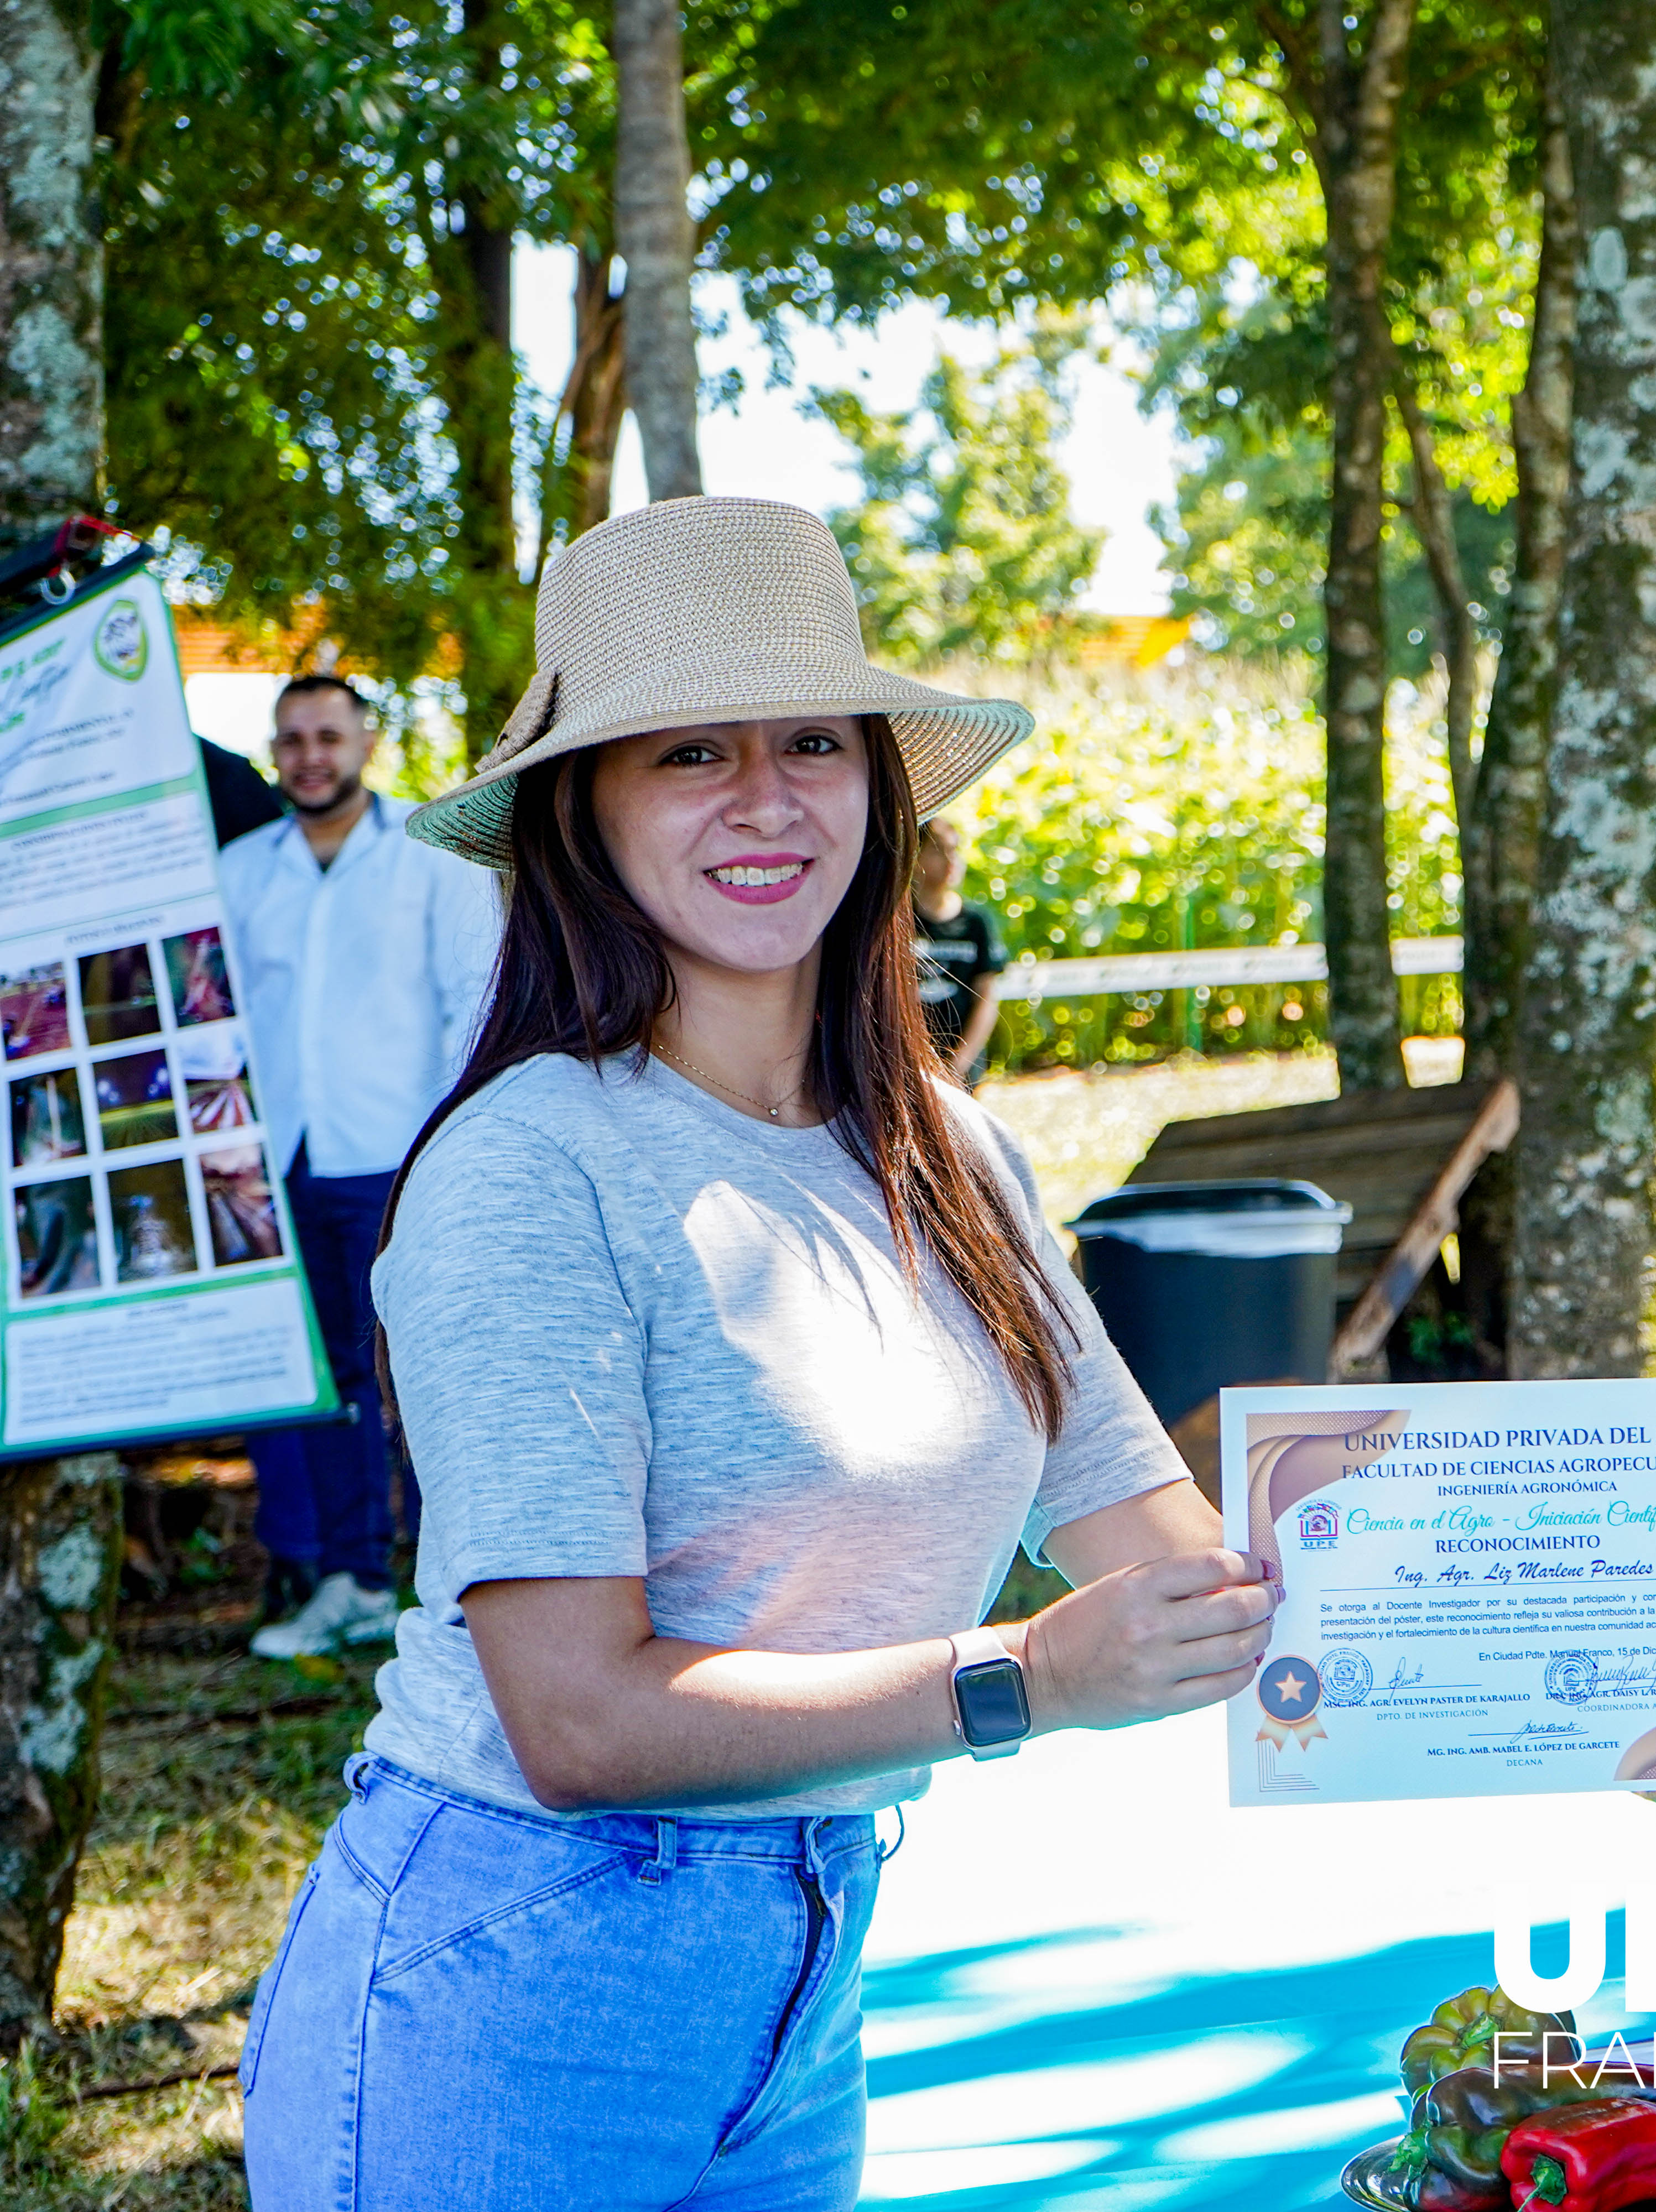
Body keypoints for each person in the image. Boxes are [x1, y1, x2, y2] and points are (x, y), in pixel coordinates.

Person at [238, 497, 1277, 2212]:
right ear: (582, 811)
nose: (765, 797)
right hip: (510, 1981)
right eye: (687, 752)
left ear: (880, 789)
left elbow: (1164, 1548)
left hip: (808, 1970)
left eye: (811, 740)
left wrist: (1570, 1531)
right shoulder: (527, 1164)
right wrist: (1031, 1676)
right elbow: (574, 1717)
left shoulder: (952, 1150)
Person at [216, 672, 501, 1658]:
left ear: (365, 742)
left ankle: (460, 1584)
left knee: (424, 1370)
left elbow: (475, 1001)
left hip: (400, 1155)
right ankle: (353, 1580)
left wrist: (453, 1147)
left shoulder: (432, 852)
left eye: (328, 735)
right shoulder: (244, 869)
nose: (310, 756)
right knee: (328, 1375)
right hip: (283, 1156)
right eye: (291, 739)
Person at [913, 813, 1011, 1085]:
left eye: (955, 850)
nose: (950, 861)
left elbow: (987, 996)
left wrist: (959, 1063)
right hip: (906, 1065)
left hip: (962, 1066)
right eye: (938, 851)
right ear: (916, 857)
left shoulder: (976, 923)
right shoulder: (898, 921)